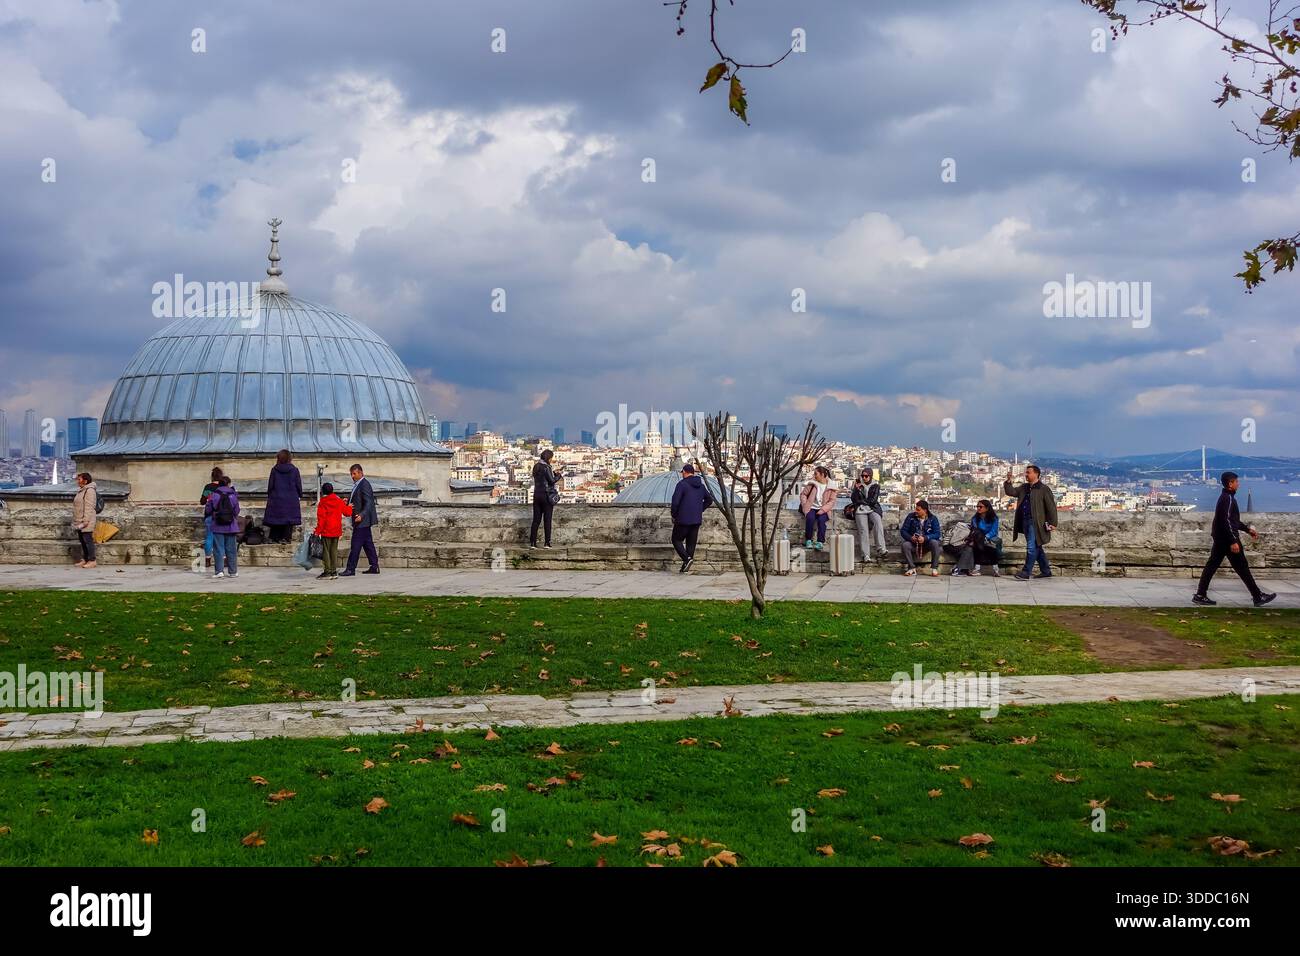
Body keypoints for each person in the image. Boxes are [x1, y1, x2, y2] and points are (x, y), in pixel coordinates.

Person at [1193, 471, 1276, 607]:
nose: (1239, 484)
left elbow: (1233, 521)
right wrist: (1233, 541)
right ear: (1230, 484)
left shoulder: (1226, 497)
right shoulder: (1228, 499)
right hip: (1226, 540)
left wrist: (1248, 530)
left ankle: (1200, 595)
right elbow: (1226, 521)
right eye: (1236, 481)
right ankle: (1257, 596)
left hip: (1221, 539)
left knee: (1212, 566)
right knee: (1241, 567)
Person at [1003, 464, 1058, 580]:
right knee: (1037, 546)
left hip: (1036, 522)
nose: (1026, 475)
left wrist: (1053, 523)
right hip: (1025, 520)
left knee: (1031, 547)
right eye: (1026, 472)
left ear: (1036, 474)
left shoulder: (1043, 489)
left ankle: (1026, 572)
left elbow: (1051, 507)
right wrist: (1008, 481)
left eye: (1028, 472)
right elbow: (1011, 492)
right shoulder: (1024, 487)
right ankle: (1046, 570)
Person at [670, 462, 714, 573]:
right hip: (696, 519)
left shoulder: (682, 485)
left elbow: (675, 502)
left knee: (676, 540)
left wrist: (674, 515)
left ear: (684, 472)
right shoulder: (701, 486)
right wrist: (700, 509)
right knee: (691, 543)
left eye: (682, 473)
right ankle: (686, 565)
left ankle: (687, 559)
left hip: (683, 519)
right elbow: (709, 500)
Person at [340, 464, 379, 576]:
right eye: (351, 474)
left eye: (354, 473)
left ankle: (350, 569)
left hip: (361, 520)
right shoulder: (358, 484)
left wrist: (361, 515)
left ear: (361, 473)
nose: (352, 476)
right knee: (368, 544)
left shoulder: (364, 484)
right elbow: (358, 500)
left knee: (355, 545)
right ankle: (374, 566)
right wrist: (347, 501)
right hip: (361, 520)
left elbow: (369, 503)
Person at [313, 481, 353, 579]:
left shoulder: (323, 502)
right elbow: (347, 513)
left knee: (326, 551)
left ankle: (327, 571)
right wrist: (349, 506)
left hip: (326, 530)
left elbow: (321, 519)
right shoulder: (338, 500)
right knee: (334, 551)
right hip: (336, 530)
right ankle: (334, 571)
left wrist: (317, 531)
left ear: (323, 491)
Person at [951, 499, 1001, 576]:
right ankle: (993, 569)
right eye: (977, 506)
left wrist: (986, 537)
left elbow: (994, 531)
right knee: (979, 545)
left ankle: (980, 568)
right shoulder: (975, 519)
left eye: (980, 507)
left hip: (990, 537)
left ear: (987, 508)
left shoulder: (994, 518)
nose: (978, 508)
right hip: (978, 538)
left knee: (988, 546)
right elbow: (974, 530)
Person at [205, 475, 241, 579]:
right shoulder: (233, 495)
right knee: (231, 549)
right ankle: (233, 571)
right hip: (231, 525)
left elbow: (208, 509)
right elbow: (236, 510)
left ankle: (219, 571)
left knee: (218, 549)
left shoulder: (213, 495)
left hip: (217, 524)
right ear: (228, 484)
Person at [264, 449, 303, 544]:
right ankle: (286, 538)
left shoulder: (274, 470)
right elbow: (298, 484)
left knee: (276, 519)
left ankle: (274, 537)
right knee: (288, 520)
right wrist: (299, 494)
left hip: (276, 497)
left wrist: (270, 495)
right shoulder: (294, 470)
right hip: (291, 498)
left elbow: (270, 485)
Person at [850, 467, 886, 562]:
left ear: (870, 476)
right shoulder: (858, 486)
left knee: (878, 522)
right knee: (863, 530)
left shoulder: (875, 486)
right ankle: (865, 555)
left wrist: (862, 501)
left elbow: (873, 501)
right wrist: (856, 489)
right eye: (863, 476)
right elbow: (854, 499)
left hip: (873, 509)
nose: (864, 478)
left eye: (866, 476)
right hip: (860, 510)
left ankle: (881, 548)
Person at [529, 449, 563, 549]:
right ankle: (547, 543)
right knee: (547, 520)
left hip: (537, 495)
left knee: (536, 520)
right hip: (546, 495)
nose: (552, 459)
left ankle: (533, 543)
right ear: (548, 457)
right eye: (551, 457)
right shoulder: (546, 467)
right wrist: (558, 476)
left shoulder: (536, 466)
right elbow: (551, 481)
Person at [899, 499, 942, 576]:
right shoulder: (911, 517)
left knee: (935, 543)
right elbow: (903, 531)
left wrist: (926, 538)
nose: (916, 511)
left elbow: (937, 534)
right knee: (905, 545)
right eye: (916, 509)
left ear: (925, 510)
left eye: (918, 510)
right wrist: (910, 538)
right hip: (914, 543)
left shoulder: (933, 519)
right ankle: (911, 568)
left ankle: (934, 568)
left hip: (927, 543)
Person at [799, 466, 836, 550]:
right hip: (811, 507)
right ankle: (808, 540)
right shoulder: (812, 484)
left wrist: (823, 510)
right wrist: (805, 505)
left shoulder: (831, 486)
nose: (814, 476)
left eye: (816, 474)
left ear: (822, 474)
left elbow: (832, 501)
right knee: (810, 518)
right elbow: (803, 494)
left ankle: (820, 542)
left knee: (821, 520)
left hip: (824, 509)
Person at [199, 466, 225, 568]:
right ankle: (223, 559)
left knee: (209, 537)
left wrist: (209, 498)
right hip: (222, 516)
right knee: (221, 538)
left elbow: (202, 501)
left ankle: (207, 560)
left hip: (210, 515)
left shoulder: (208, 487)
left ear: (212, 477)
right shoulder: (223, 487)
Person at [72, 472, 98, 569]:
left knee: (88, 540)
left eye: (79, 479)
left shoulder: (89, 491)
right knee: (83, 541)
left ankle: (92, 560)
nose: (77, 481)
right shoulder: (82, 490)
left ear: (85, 481)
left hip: (86, 520)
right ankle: (86, 559)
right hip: (79, 520)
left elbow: (89, 506)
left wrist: (86, 520)